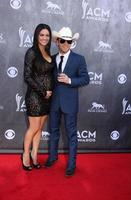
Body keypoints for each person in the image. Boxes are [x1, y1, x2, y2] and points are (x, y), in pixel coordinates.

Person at [44, 27, 90, 176]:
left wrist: (70, 80)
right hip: (54, 102)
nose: (65, 44)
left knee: (71, 134)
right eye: (62, 40)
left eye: (69, 41)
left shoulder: (79, 59)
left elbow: (85, 79)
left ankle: (71, 165)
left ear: (72, 43)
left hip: (70, 103)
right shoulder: (52, 58)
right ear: (57, 41)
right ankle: (52, 157)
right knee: (53, 131)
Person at [21, 24, 54, 171]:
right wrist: (42, 91)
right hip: (35, 96)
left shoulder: (48, 52)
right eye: (42, 35)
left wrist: (49, 92)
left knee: (40, 129)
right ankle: (25, 155)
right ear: (36, 35)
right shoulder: (31, 52)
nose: (45, 38)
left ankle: (35, 154)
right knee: (33, 127)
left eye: (47, 35)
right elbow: (27, 76)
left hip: (48, 98)